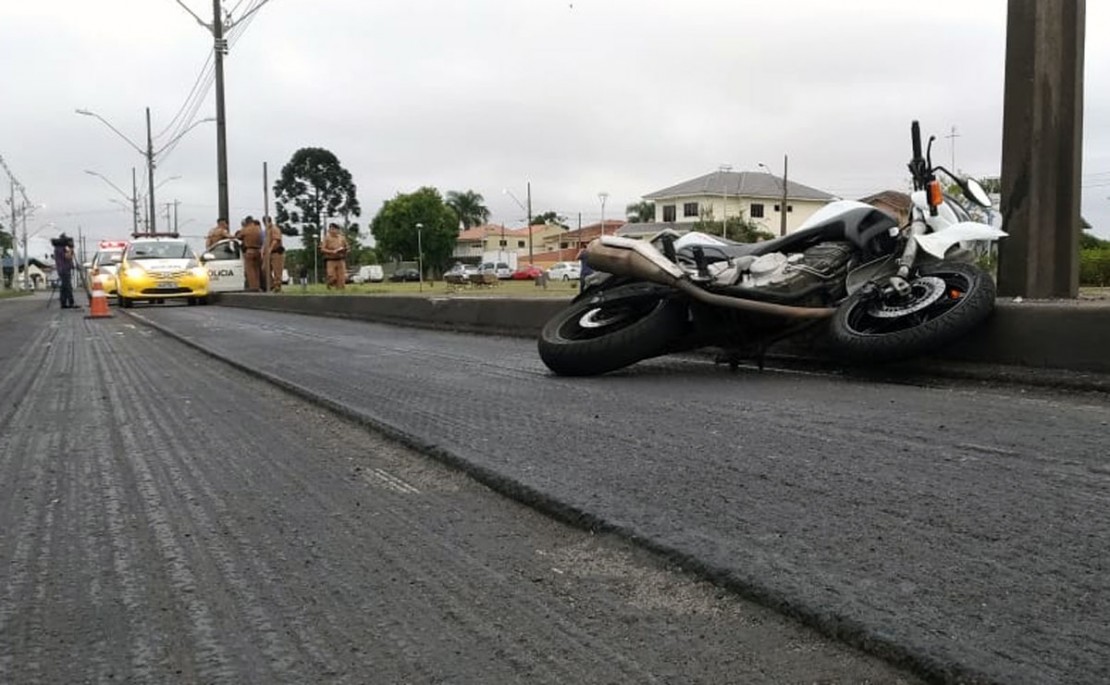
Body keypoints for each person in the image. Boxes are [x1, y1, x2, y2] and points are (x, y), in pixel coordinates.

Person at [235, 216, 264, 291]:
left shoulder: (246, 229)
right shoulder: (258, 229)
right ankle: (258, 286)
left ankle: (253, 287)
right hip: (258, 251)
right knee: (257, 270)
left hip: (249, 251)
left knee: (250, 270)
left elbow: (238, 237)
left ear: (247, 222)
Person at [320, 223, 349, 289]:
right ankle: (329, 284)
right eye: (331, 229)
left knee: (341, 278)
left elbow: (347, 247)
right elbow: (322, 249)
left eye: (334, 229)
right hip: (330, 260)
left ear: (338, 230)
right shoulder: (326, 238)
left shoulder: (342, 238)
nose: (333, 231)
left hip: (340, 259)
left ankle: (339, 291)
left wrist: (345, 250)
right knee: (332, 277)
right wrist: (331, 251)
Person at [52, 234, 77, 308]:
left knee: (64, 287)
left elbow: (68, 258)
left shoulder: (59, 248)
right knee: (68, 287)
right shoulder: (60, 249)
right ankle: (70, 302)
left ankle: (64, 303)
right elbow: (67, 257)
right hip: (64, 270)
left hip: (63, 269)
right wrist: (71, 250)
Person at [263, 216, 285, 292]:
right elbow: (265, 242)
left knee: (277, 270)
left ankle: (277, 286)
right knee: (265, 269)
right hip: (268, 253)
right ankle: (271, 285)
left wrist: (270, 249)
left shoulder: (274, 229)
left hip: (276, 252)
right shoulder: (267, 231)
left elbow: (276, 240)